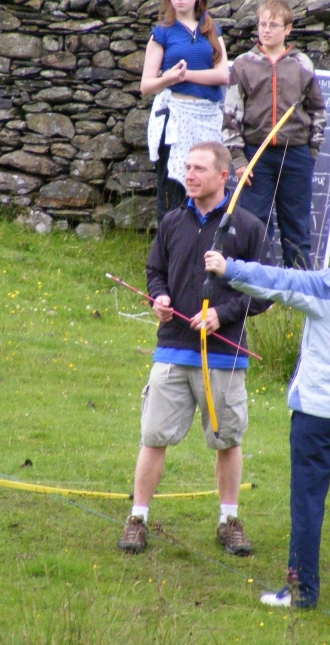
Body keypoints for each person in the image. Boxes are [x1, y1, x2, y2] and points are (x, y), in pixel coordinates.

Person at [204, 220, 330, 609]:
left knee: (307, 506)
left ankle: (301, 593)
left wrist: (228, 268)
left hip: (317, 416)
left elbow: (280, 282)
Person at [117, 142, 272, 556]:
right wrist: (160, 298)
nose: (189, 174)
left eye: (199, 168)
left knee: (227, 440)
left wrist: (221, 314)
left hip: (222, 356)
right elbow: (155, 270)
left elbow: (264, 291)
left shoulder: (248, 227)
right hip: (172, 351)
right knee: (153, 437)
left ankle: (229, 521)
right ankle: (137, 519)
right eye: (187, 167)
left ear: (224, 176)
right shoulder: (172, 220)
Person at [223, 0, 326, 268]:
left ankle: (298, 285)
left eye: (273, 25)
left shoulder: (302, 64)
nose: (266, 30)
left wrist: (311, 153)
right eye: (262, 24)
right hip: (256, 156)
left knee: (297, 226)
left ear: (288, 28)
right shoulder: (243, 64)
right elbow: (231, 114)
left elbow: (317, 109)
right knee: (255, 224)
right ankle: (257, 284)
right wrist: (238, 159)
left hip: (297, 155)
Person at [144, 0, 229, 223]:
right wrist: (168, 78)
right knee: (172, 194)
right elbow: (147, 85)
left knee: (208, 187)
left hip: (208, 119)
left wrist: (185, 75)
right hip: (175, 121)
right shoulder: (162, 32)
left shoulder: (211, 29)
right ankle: (169, 248)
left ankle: (205, 245)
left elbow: (223, 75)